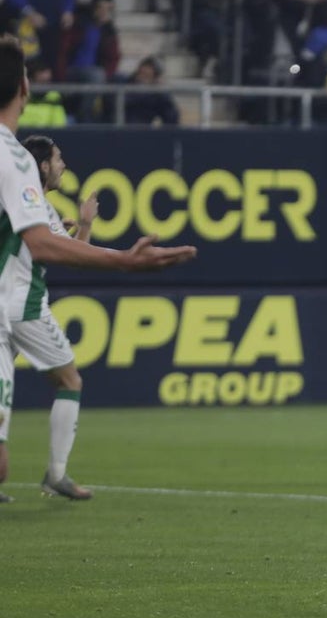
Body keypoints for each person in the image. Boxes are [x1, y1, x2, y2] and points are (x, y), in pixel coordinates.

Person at [0, 36, 197, 503]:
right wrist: (125, 259)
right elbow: (43, 244)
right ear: (24, 88)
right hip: (19, 305)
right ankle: (56, 472)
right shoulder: (14, 159)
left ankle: (56, 473)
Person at [12, 136, 97, 499]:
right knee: (70, 381)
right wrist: (86, 225)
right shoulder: (38, 206)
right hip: (24, 306)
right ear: (43, 166)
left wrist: (69, 230)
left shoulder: (21, 203)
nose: (63, 165)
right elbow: (77, 257)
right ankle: (56, 475)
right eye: (58, 160)